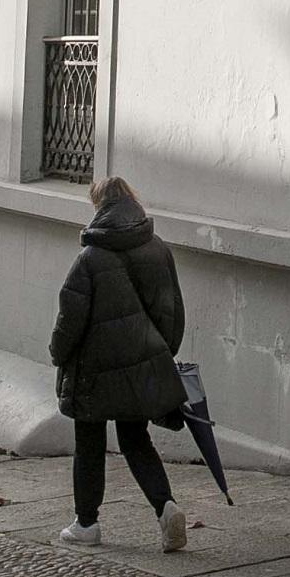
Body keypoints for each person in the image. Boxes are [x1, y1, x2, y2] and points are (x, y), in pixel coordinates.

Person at [48, 175, 190, 552]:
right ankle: (166, 507)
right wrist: (157, 355)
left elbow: (70, 318)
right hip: (140, 366)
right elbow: (173, 314)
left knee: (89, 444)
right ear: (131, 201)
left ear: (100, 206)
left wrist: (57, 354)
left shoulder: (91, 258)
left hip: (93, 374)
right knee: (136, 440)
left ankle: (87, 524)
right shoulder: (158, 249)